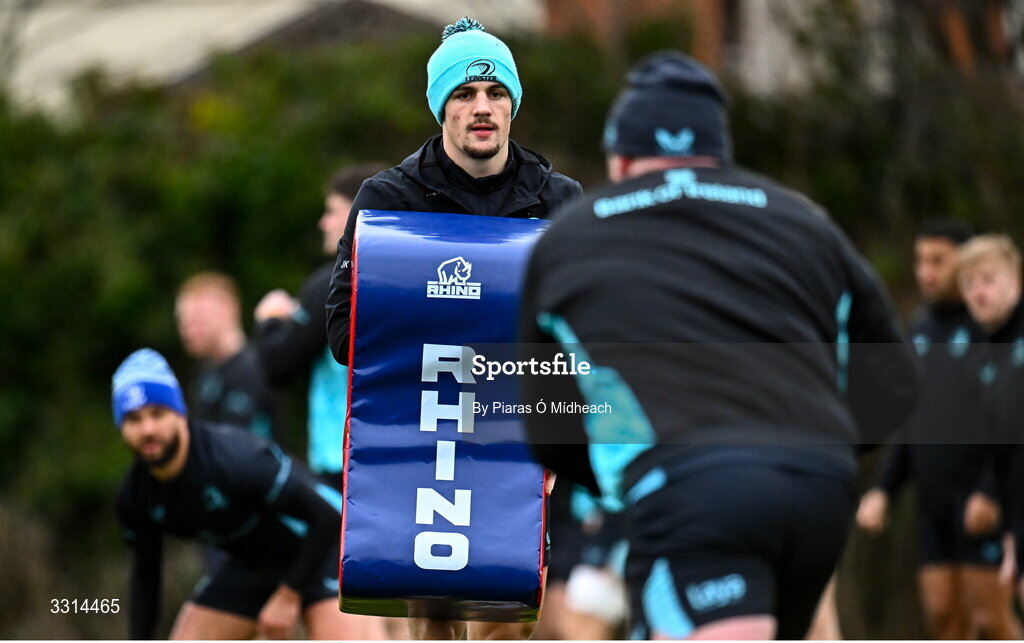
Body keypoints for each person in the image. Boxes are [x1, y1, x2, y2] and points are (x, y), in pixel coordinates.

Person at [518, 51, 919, 640]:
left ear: (621, 157)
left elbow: (545, 420)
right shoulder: (803, 220)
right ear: (718, 152)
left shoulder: (570, 235)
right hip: (819, 489)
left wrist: (615, 482)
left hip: (691, 487)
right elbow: (897, 381)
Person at [323, 16, 582, 641]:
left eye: (496, 93)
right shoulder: (387, 199)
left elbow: (586, 328)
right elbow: (341, 334)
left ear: (514, 104)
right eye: (464, 94)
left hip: (512, 437)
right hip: (421, 441)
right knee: (432, 617)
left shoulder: (560, 200)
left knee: (502, 620)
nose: (482, 108)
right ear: (442, 106)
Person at [112, 348, 372, 639]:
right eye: (133, 419)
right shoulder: (135, 496)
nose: (147, 429)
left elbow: (326, 517)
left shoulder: (233, 459)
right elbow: (145, 577)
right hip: (251, 565)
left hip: (325, 550)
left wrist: (288, 596)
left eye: (157, 414)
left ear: (180, 413)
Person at [855, 220, 1020, 638]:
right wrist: (884, 488)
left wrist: (989, 489)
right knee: (942, 612)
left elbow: (1007, 425)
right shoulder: (920, 329)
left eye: (938, 261)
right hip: (933, 498)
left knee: (990, 617)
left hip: (983, 496)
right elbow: (914, 419)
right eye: (920, 260)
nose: (926, 272)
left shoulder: (991, 329)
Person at [254, 163, 387, 492]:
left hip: (339, 462)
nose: (323, 222)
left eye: (332, 211)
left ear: (356, 213)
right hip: (393, 460)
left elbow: (277, 364)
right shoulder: (407, 278)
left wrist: (269, 320)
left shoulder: (333, 283)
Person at [959, 234, 1024, 631]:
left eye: (988, 279)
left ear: (1016, 281)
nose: (977, 292)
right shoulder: (983, 352)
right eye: (969, 284)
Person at [176, 272, 278, 442]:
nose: (188, 330)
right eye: (183, 322)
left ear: (229, 309)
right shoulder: (201, 376)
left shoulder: (261, 366)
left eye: (198, 319)